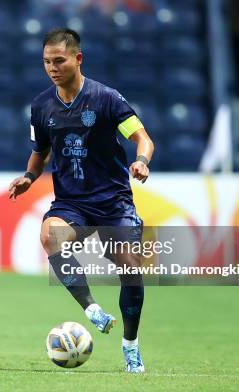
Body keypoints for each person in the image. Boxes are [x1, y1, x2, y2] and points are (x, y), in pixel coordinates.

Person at [8, 28, 154, 373]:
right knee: (49, 236)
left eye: (58, 60)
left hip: (113, 202)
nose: (52, 67)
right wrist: (29, 177)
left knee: (131, 271)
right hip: (72, 202)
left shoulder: (106, 99)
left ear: (78, 58)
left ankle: (130, 346)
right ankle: (91, 310)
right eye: (46, 62)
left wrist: (142, 161)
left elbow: (143, 138)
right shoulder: (41, 105)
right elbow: (39, 151)